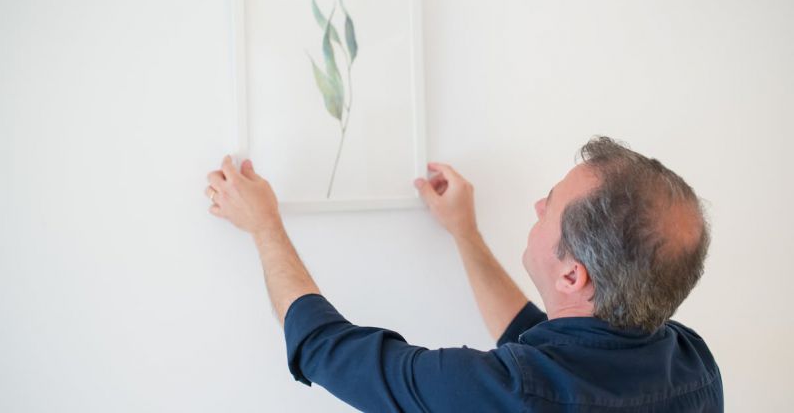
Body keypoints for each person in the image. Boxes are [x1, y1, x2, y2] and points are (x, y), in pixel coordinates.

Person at [204, 136, 723, 412]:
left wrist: (263, 225)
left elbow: (325, 351)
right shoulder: (693, 365)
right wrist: (464, 233)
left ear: (572, 277)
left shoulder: (507, 393)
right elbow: (551, 352)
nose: (538, 204)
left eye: (552, 205)